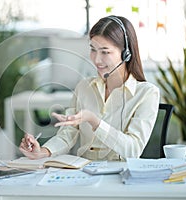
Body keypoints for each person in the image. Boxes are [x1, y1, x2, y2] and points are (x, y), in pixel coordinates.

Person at [19, 15, 160, 161]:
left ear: (126, 54)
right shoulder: (84, 87)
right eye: (93, 49)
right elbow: (68, 134)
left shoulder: (147, 93)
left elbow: (133, 149)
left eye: (105, 52)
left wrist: (94, 121)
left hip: (120, 176)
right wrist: (43, 151)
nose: (97, 59)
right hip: (84, 174)